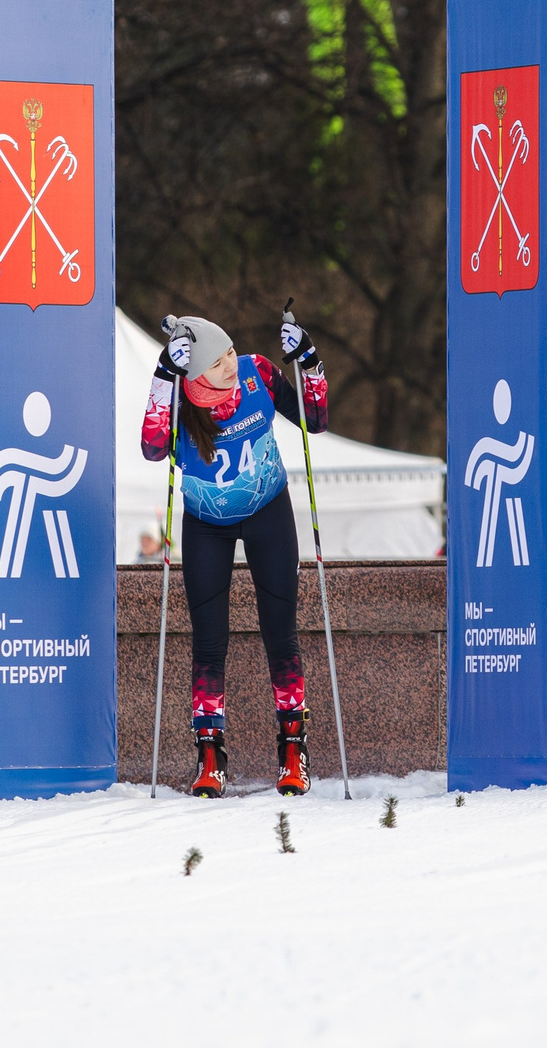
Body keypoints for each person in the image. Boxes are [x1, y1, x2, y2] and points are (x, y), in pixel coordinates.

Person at [141, 311, 329, 798]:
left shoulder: (258, 373)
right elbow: (153, 447)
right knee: (208, 644)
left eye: (230, 351)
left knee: (280, 635)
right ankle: (209, 757)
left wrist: (308, 360)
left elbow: (316, 420)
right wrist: (164, 373)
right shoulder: (182, 398)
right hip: (207, 525)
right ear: (194, 370)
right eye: (217, 359)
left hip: (268, 510)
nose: (230, 363)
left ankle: (293, 752)